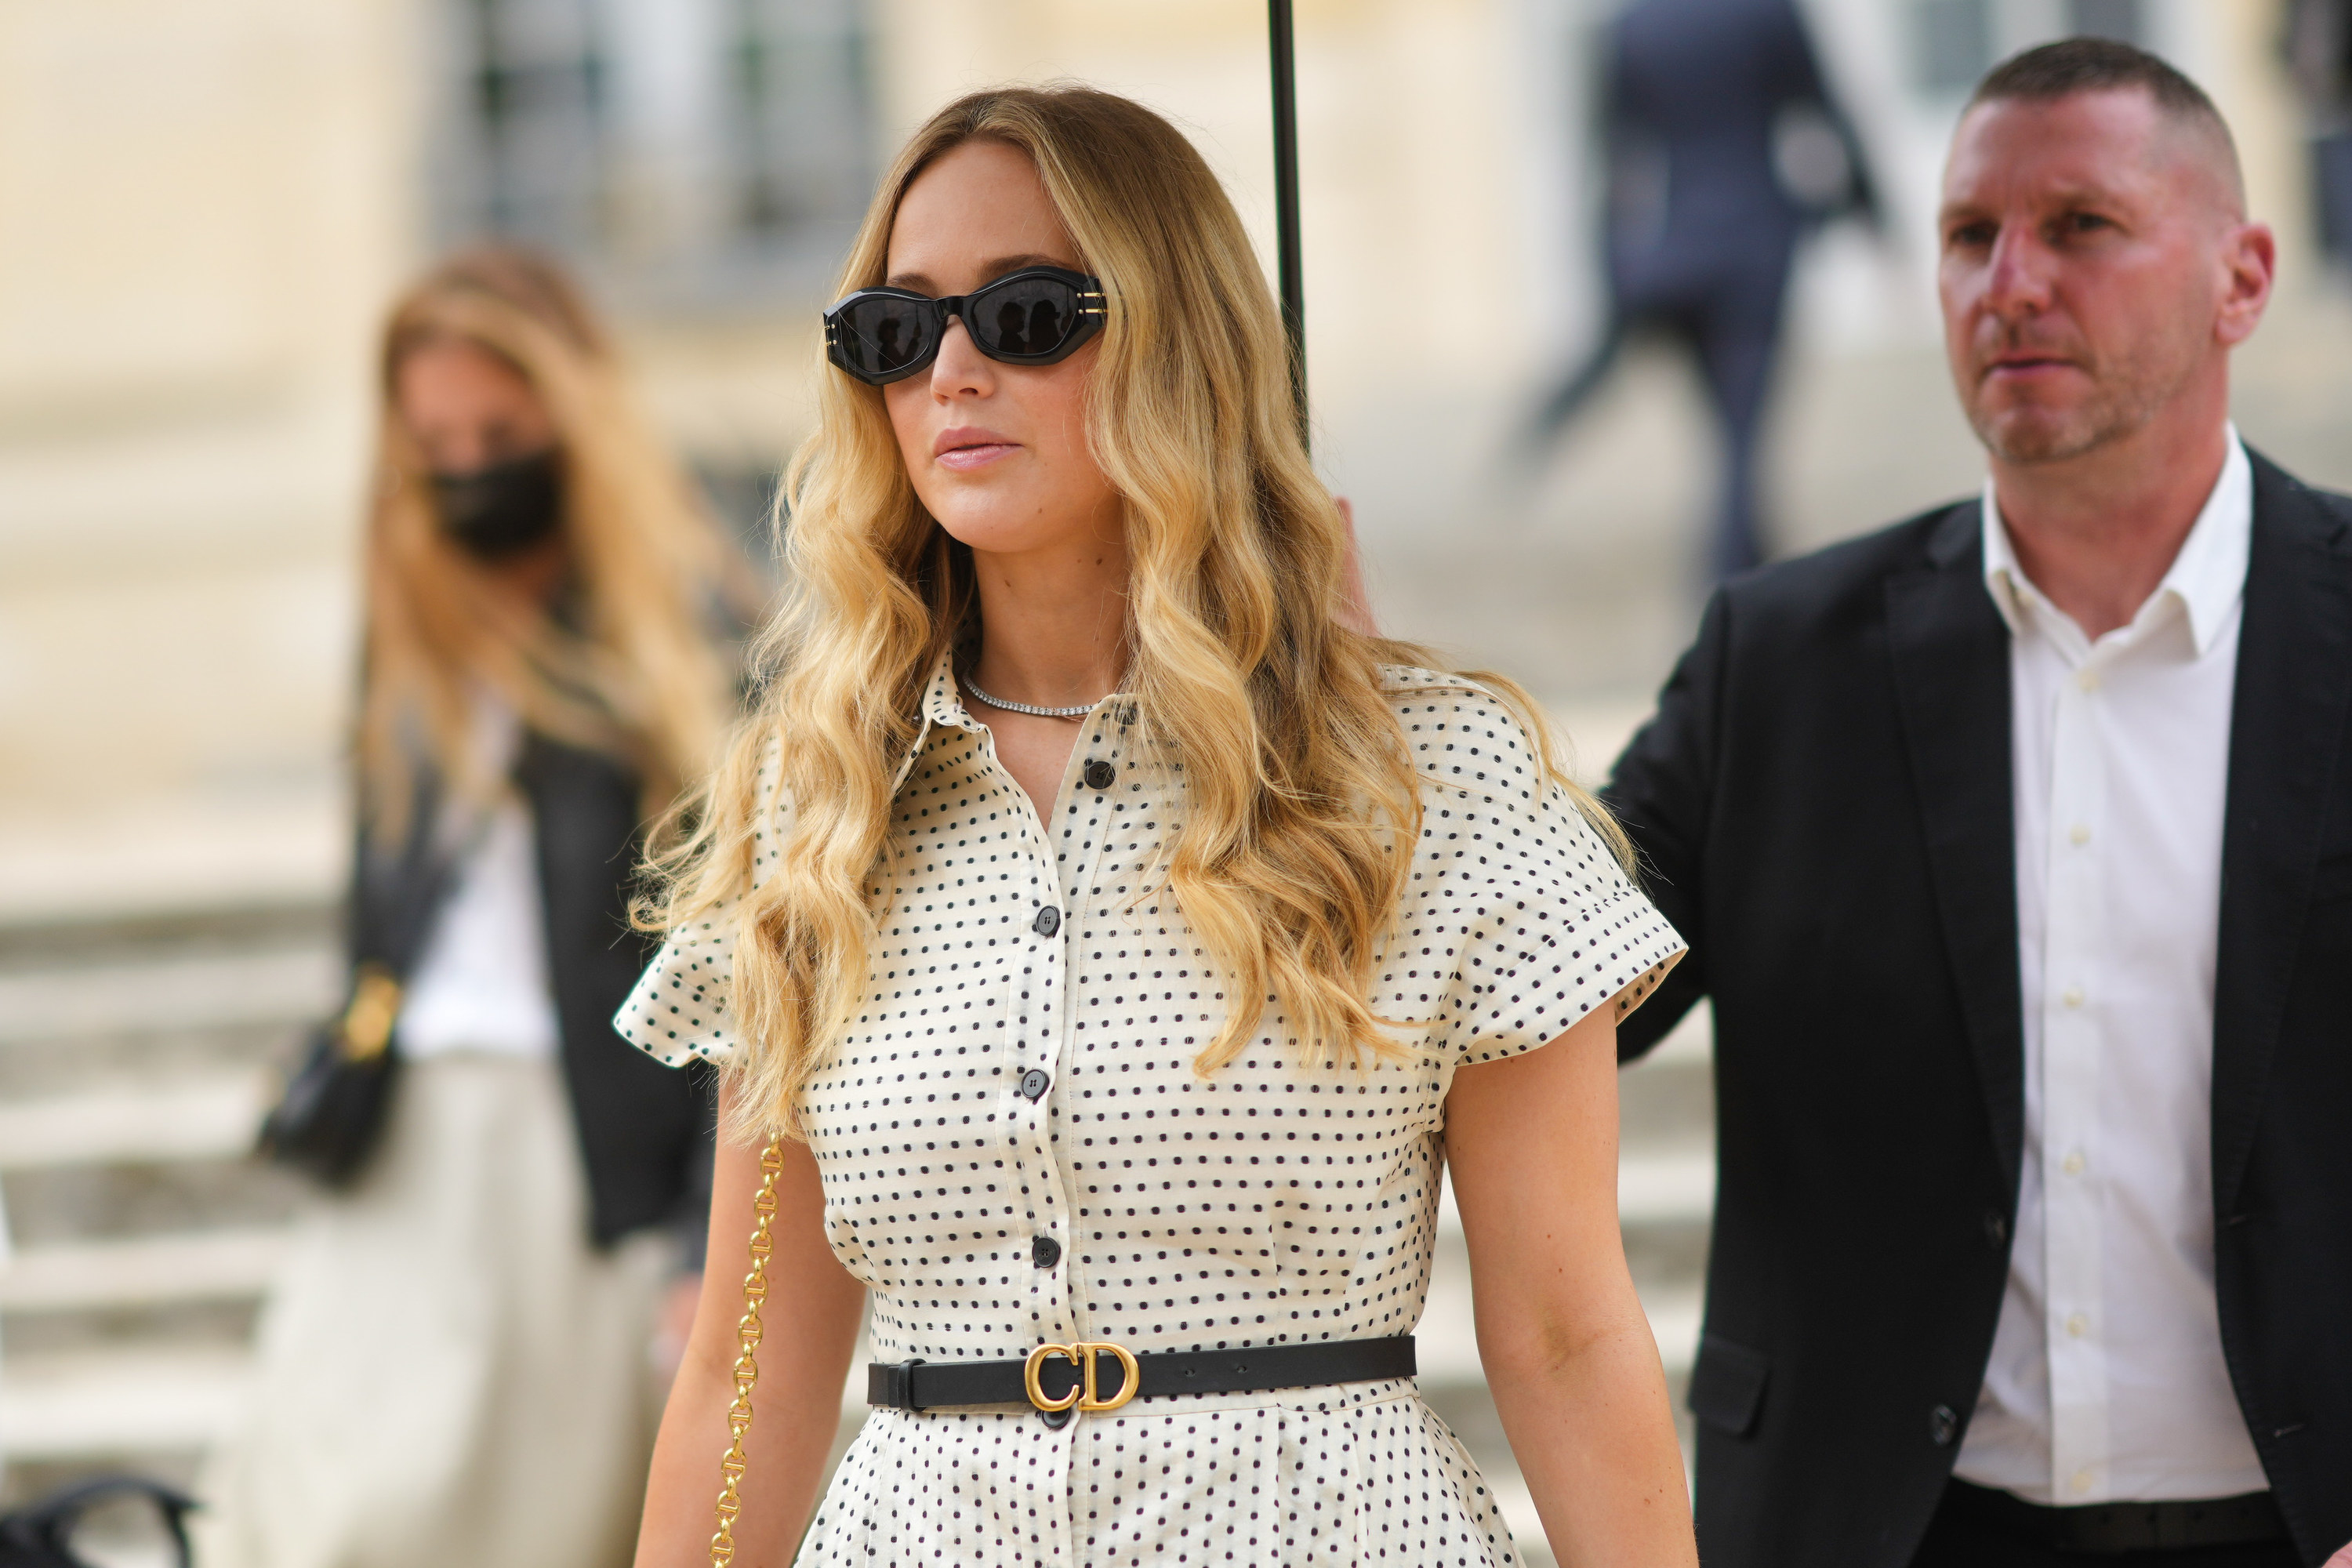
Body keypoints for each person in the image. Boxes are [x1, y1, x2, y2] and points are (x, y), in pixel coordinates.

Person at [622, 86, 1697, 1568]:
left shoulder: (1427, 782)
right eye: (896, 327)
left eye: (1028, 313)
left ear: (1179, 339)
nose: (950, 370)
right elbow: (748, 1373)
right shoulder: (814, 804)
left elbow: (1570, 1333)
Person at [1602, 38, 2352, 1568]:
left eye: (2080, 224)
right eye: (1966, 235)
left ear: (2242, 276)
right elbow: (1547, 985)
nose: (2008, 281)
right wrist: (1335, 713)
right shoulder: (1782, 660)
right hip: (1886, 1534)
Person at [200, 247, 750, 1568]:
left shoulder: (677, 633)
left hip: (574, 1150)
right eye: (434, 441)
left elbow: (736, 954)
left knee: (511, 1520)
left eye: (498, 434)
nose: (466, 469)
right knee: (332, 1510)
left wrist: (698, 1229)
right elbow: (373, 908)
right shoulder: (409, 619)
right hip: (404, 1142)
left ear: (573, 415)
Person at [1526, 0, 1878, 581]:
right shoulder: (1765, 13)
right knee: (1742, 439)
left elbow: (1610, 168)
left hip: (1670, 256)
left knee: (1730, 440)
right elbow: (1827, 111)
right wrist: (1874, 217)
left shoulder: (1631, 28)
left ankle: (1755, 576)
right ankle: (1725, 593)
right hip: (1753, 249)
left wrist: (1613, 285)